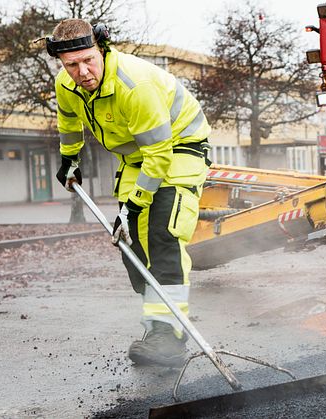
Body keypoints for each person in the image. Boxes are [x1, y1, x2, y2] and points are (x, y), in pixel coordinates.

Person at [48, 19, 210, 367]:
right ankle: (156, 329)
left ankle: (170, 337)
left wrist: (133, 207)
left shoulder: (134, 85)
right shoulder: (66, 84)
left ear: (102, 49)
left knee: (162, 234)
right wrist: (69, 158)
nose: (83, 72)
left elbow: (160, 154)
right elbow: (68, 121)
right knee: (130, 243)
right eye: (72, 65)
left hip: (179, 149)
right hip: (139, 156)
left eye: (89, 60)